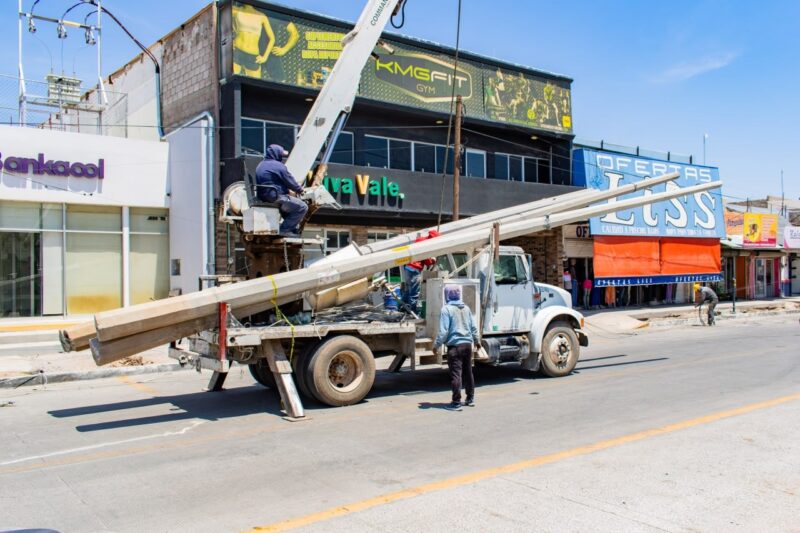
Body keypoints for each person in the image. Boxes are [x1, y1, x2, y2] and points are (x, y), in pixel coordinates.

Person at [433, 285, 480, 411]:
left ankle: (456, 402)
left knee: (456, 375)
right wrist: (477, 341)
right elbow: (473, 327)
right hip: (467, 345)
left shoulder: (446, 309)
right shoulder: (466, 308)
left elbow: (443, 332)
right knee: (468, 372)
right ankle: (470, 398)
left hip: (455, 347)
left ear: (447, 295)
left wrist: (436, 345)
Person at [255, 144, 308, 237]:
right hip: (275, 197)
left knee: (289, 207)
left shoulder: (260, 165)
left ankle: (291, 228)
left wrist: (287, 191)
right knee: (302, 207)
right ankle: (285, 230)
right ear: (276, 154)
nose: (282, 157)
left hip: (264, 197)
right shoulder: (278, 166)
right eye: (281, 155)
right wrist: (300, 190)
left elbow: (272, 182)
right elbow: (289, 181)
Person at [401, 230, 440, 313]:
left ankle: (401, 308)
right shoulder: (427, 244)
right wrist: (433, 259)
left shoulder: (419, 240)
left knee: (408, 291)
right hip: (415, 269)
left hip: (408, 267)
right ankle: (413, 313)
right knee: (414, 293)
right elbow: (427, 261)